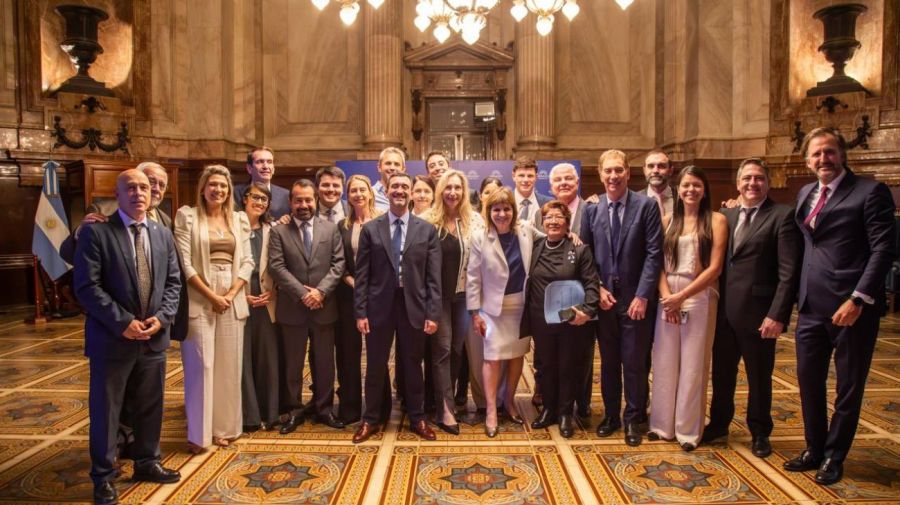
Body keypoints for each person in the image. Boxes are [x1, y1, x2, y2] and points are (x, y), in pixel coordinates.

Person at [782, 127, 895, 485]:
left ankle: (834, 455)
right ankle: (814, 448)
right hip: (810, 306)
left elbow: (883, 250)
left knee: (848, 385)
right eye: (816, 154)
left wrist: (859, 298)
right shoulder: (805, 193)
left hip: (852, 308)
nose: (823, 159)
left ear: (842, 154)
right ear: (807, 161)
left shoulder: (870, 191)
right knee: (808, 381)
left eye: (829, 151)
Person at [60, 161, 189, 462]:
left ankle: (147, 461)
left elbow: (173, 281)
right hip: (112, 336)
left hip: (153, 336)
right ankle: (104, 471)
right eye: (135, 186)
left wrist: (163, 318)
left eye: (152, 186)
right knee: (108, 409)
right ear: (117, 194)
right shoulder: (99, 224)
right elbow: (87, 286)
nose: (145, 191)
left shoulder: (163, 229)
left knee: (149, 405)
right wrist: (123, 323)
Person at [704, 159, 802, 458]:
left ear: (768, 183)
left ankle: (760, 431)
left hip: (760, 315)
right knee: (722, 374)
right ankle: (719, 424)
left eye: (758, 178)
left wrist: (777, 315)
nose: (752, 183)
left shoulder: (782, 216)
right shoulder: (725, 215)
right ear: (738, 183)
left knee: (759, 377)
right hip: (723, 313)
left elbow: (788, 272)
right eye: (747, 178)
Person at [580, 150, 663, 446]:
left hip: (635, 300)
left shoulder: (646, 206)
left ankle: (633, 419)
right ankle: (611, 416)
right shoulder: (591, 210)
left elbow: (654, 253)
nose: (613, 176)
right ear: (600, 174)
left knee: (635, 363)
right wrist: (598, 289)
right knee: (609, 363)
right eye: (608, 171)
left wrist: (643, 295)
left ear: (628, 172)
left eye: (618, 170)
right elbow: (586, 256)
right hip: (605, 301)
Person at [353, 172, 441, 443]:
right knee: (375, 364)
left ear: (412, 192)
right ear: (387, 191)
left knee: (413, 365)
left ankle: (417, 417)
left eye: (405, 186)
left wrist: (432, 313)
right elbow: (362, 275)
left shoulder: (426, 230)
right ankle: (370, 419)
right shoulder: (371, 229)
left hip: (413, 306)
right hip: (379, 307)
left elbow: (433, 277)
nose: (400, 190)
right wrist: (360, 311)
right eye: (395, 186)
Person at [174, 165, 254, 453]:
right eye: (213, 185)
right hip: (200, 294)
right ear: (203, 188)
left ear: (229, 191)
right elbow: (185, 263)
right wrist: (211, 296)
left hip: (232, 295)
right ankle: (199, 434)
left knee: (228, 365)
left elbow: (247, 261)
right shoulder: (187, 216)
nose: (218, 190)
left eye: (223, 185)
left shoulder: (239, 219)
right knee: (201, 364)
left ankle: (224, 429)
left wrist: (230, 294)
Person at [648, 166, 727, 452]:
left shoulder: (716, 220)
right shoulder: (667, 221)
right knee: (665, 361)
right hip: (667, 297)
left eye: (696, 185)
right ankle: (662, 425)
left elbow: (715, 268)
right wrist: (667, 296)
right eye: (685, 185)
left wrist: (682, 296)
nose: (691, 190)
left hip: (699, 296)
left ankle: (687, 430)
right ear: (678, 190)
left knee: (693, 365)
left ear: (704, 190)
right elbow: (657, 263)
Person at [268, 179, 346, 433]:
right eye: (298, 200)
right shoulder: (279, 231)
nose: (304, 205)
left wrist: (321, 292)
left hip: (324, 307)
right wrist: (304, 294)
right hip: (293, 308)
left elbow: (338, 264)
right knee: (293, 365)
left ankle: (324, 409)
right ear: (290, 202)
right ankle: (294, 411)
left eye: (308, 200)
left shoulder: (331, 229)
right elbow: (277, 267)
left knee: (325, 363)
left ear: (316, 201)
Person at [524, 200, 600, 438]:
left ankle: (566, 413)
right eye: (548, 217)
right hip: (541, 319)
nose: (553, 221)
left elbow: (592, 283)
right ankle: (549, 409)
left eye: (558, 217)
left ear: (567, 222)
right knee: (545, 365)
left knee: (568, 366)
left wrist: (587, 311)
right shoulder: (536, 246)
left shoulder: (579, 249)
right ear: (542, 222)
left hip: (570, 320)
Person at [467, 187, 535, 437]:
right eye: (496, 209)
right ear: (489, 212)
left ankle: (509, 401)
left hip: (521, 306)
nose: (502, 214)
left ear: (514, 211)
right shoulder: (479, 236)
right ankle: (491, 410)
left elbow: (553, 234)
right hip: (492, 309)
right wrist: (474, 312)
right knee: (492, 358)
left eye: (507, 209)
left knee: (517, 356)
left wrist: (572, 233)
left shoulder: (526, 230)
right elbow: (473, 277)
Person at [427, 169, 485, 435]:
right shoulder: (428, 221)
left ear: (464, 192)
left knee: (456, 350)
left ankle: (443, 400)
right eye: (448, 187)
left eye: (457, 188)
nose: (452, 192)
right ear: (440, 191)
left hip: (464, 296)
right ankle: (446, 410)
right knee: (442, 350)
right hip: (437, 297)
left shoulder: (475, 221)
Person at [335, 175, 381, 425]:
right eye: (353, 190)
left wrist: (371, 288)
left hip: (378, 297)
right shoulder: (341, 225)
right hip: (348, 295)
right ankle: (350, 408)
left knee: (377, 354)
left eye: (363, 189)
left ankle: (379, 408)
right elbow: (338, 261)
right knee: (348, 352)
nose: (358, 194)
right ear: (348, 195)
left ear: (370, 193)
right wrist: (355, 283)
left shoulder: (382, 221)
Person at [239, 183, 281, 433]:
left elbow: (281, 264)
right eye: (256, 197)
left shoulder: (271, 229)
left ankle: (270, 413)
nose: (260, 202)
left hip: (267, 300)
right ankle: (249, 416)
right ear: (245, 198)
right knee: (242, 359)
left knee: (267, 359)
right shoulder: (232, 226)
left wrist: (275, 291)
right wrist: (241, 296)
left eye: (265, 199)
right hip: (239, 298)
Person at [234, 147, 291, 223]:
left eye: (269, 162)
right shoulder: (234, 193)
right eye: (260, 162)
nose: (266, 166)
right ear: (249, 168)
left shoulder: (286, 195)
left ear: (273, 168)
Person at [534, 163, 585, 233]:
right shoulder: (539, 214)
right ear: (551, 187)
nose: (563, 183)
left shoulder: (592, 211)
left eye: (568, 178)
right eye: (558, 180)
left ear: (577, 183)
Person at [512, 155, 552, 223]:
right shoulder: (504, 202)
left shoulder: (549, 203)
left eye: (530, 176)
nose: (526, 180)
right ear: (513, 176)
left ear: (536, 177)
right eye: (521, 175)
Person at [372, 147, 407, 212]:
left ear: (403, 169)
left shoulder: (409, 195)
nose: (392, 168)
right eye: (388, 163)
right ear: (379, 167)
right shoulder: (370, 195)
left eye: (396, 164)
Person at [642, 150, 675, 217]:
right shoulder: (633, 201)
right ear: (644, 171)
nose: (655, 171)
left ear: (670, 171)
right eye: (651, 166)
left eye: (661, 166)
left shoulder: (681, 198)